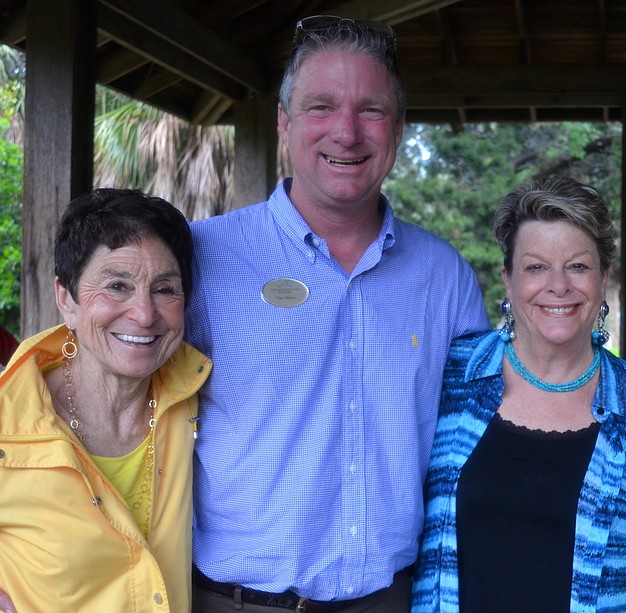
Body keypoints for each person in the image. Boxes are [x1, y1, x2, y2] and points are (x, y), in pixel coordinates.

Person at [187, 15, 488, 613]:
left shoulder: (445, 277)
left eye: (371, 110)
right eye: (321, 106)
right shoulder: (203, 259)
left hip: (391, 600)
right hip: (236, 601)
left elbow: (478, 448)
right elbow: (111, 409)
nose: (346, 132)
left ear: (398, 129)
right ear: (284, 121)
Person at [411, 175, 626, 612]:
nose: (559, 285)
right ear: (508, 279)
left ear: (604, 277)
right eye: (535, 267)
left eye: (578, 266)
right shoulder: (452, 373)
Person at [0, 188, 211, 612]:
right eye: (117, 286)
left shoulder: (191, 394)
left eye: (165, 289)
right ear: (67, 299)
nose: (144, 313)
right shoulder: (9, 425)